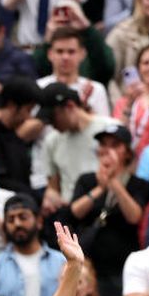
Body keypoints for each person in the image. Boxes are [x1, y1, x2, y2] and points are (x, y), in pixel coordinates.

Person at [69, 123, 149, 296]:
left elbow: (134, 215)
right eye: (104, 144)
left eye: (115, 145)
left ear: (127, 152)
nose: (108, 150)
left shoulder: (138, 184)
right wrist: (100, 188)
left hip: (121, 267)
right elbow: (76, 211)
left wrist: (115, 183)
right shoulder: (87, 180)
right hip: (90, 264)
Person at [40, 83, 118, 218]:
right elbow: (52, 185)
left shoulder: (109, 128)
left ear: (69, 106)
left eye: (53, 117)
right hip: (72, 212)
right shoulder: (52, 140)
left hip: (108, 209)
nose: (51, 124)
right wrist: (51, 194)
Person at [0, 193, 66, 296]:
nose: (17, 223)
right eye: (11, 219)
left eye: (23, 217)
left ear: (39, 221)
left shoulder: (60, 262)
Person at [36, 27, 110, 118]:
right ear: (50, 54)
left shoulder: (96, 89)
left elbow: (104, 126)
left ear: (82, 54)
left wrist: (85, 106)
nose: (65, 57)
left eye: (71, 52)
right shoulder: (38, 87)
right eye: (60, 51)